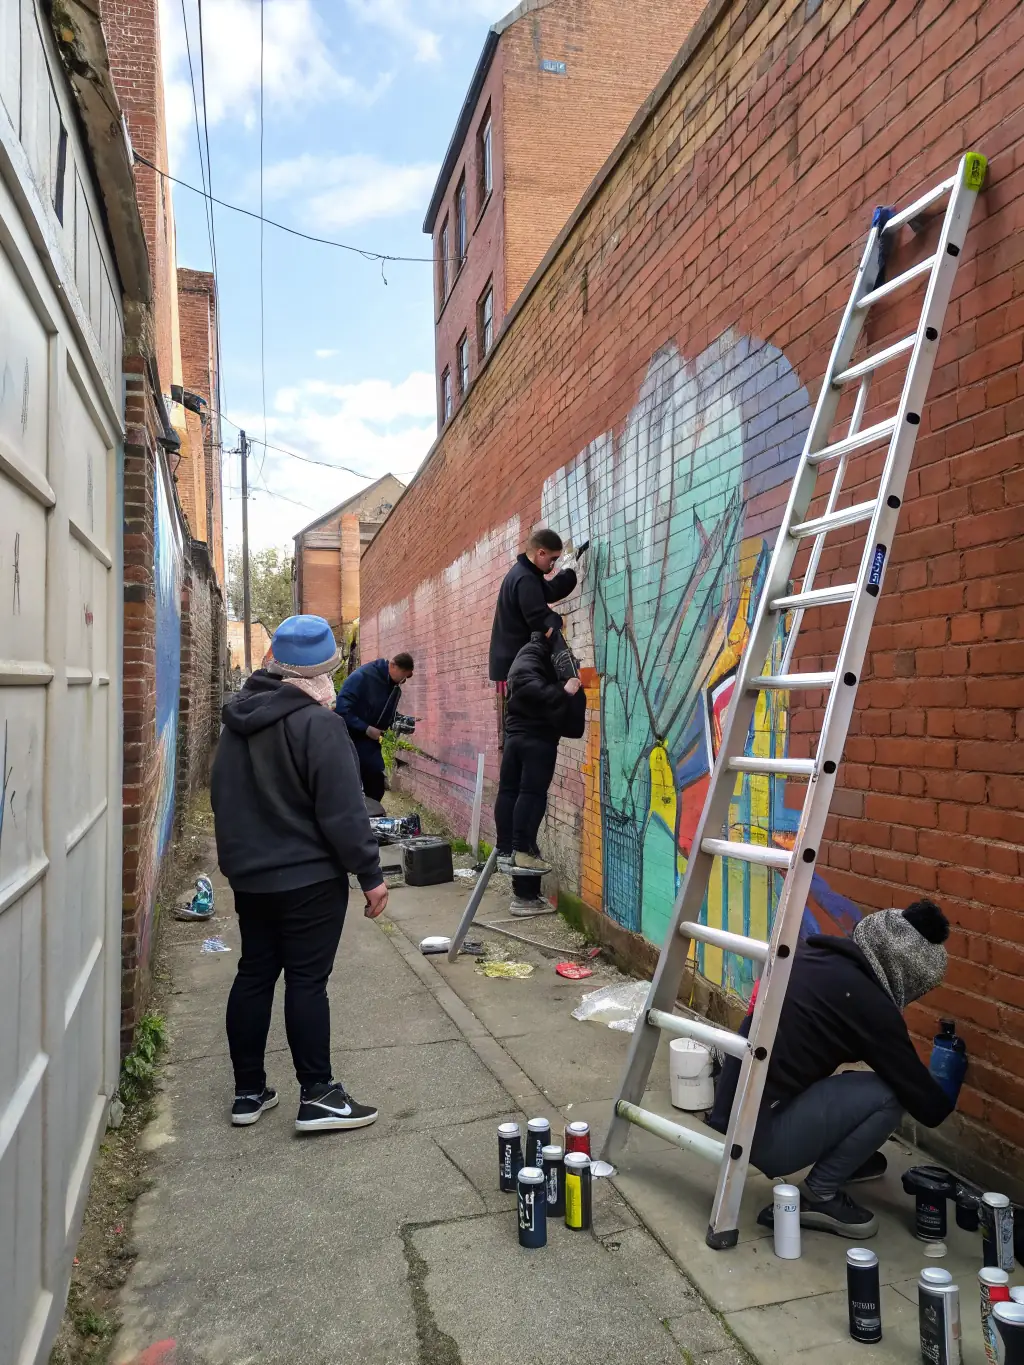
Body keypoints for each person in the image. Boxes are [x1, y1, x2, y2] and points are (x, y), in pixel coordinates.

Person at [211, 614, 387, 1133]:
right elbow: (343, 811)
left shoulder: (237, 720)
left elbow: (222, 797)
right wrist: (370, 874)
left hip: (251, 878)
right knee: (308, 981)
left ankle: (248, 1093)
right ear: (322, 672)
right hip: (308, 880)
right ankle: (318, 1095)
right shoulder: (320, 724)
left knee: (254, 972)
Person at [708, 900, 959, 1238]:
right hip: (761, 1138)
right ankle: (820, 1194)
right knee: (889, 1095)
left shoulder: (814, 956)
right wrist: (952, 1075)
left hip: (735, 1112)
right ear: (907, 973)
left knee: (857, 1081)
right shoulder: (870, 1007)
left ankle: (846, 1161)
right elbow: (929, 1108)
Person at [494, 631, 587, 872]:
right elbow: (529, 686)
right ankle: (520, 850)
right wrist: (564, 692)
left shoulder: (530, 657)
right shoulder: (531, 656)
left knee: (511, 791)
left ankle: (507, 849)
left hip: (519, 737)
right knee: (531, 794)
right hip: (535, 739)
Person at [334, 652, 415, 801]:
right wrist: (366, 728)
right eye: (403, 675)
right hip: (351, 737)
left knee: (376, 780)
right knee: (357, 781)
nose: (403, 681)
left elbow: (384, 711)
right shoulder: (362, 677)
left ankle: (372, 815)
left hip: (370, 741)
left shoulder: (392, 685)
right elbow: (342, 709)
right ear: (393, 665)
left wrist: (399, 720)